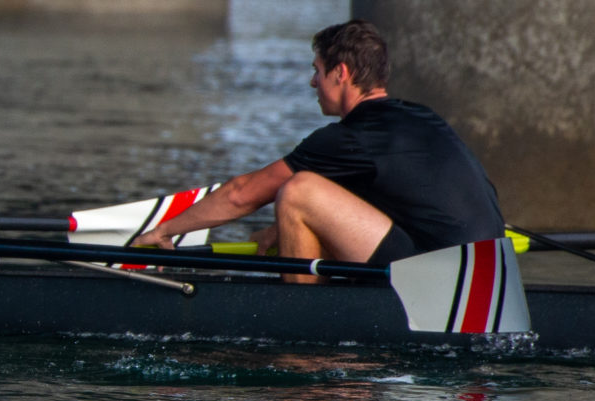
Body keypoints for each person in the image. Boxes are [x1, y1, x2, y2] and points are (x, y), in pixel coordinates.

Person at [128, 19, 503, 275]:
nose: (312, 82)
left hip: (440, 281)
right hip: (485, 274)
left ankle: (301, 312)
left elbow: (243, 194)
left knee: (297, 190)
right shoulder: (422, 118)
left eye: (317, 70)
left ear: (340, 74)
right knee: (307, 198)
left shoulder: (349, 137)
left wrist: (164, 231)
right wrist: (285, 230)